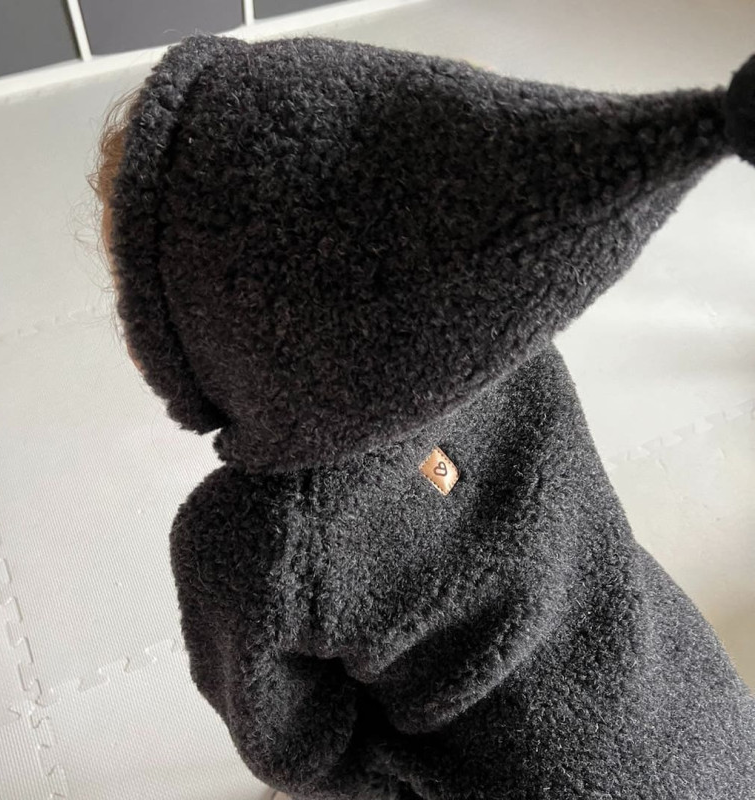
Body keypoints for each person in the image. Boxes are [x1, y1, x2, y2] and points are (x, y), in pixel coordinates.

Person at [91, 33, 755, 799]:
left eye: (138, 304)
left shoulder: (258, 539)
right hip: (706, 713)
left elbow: (296, 749)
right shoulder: (508, 350)